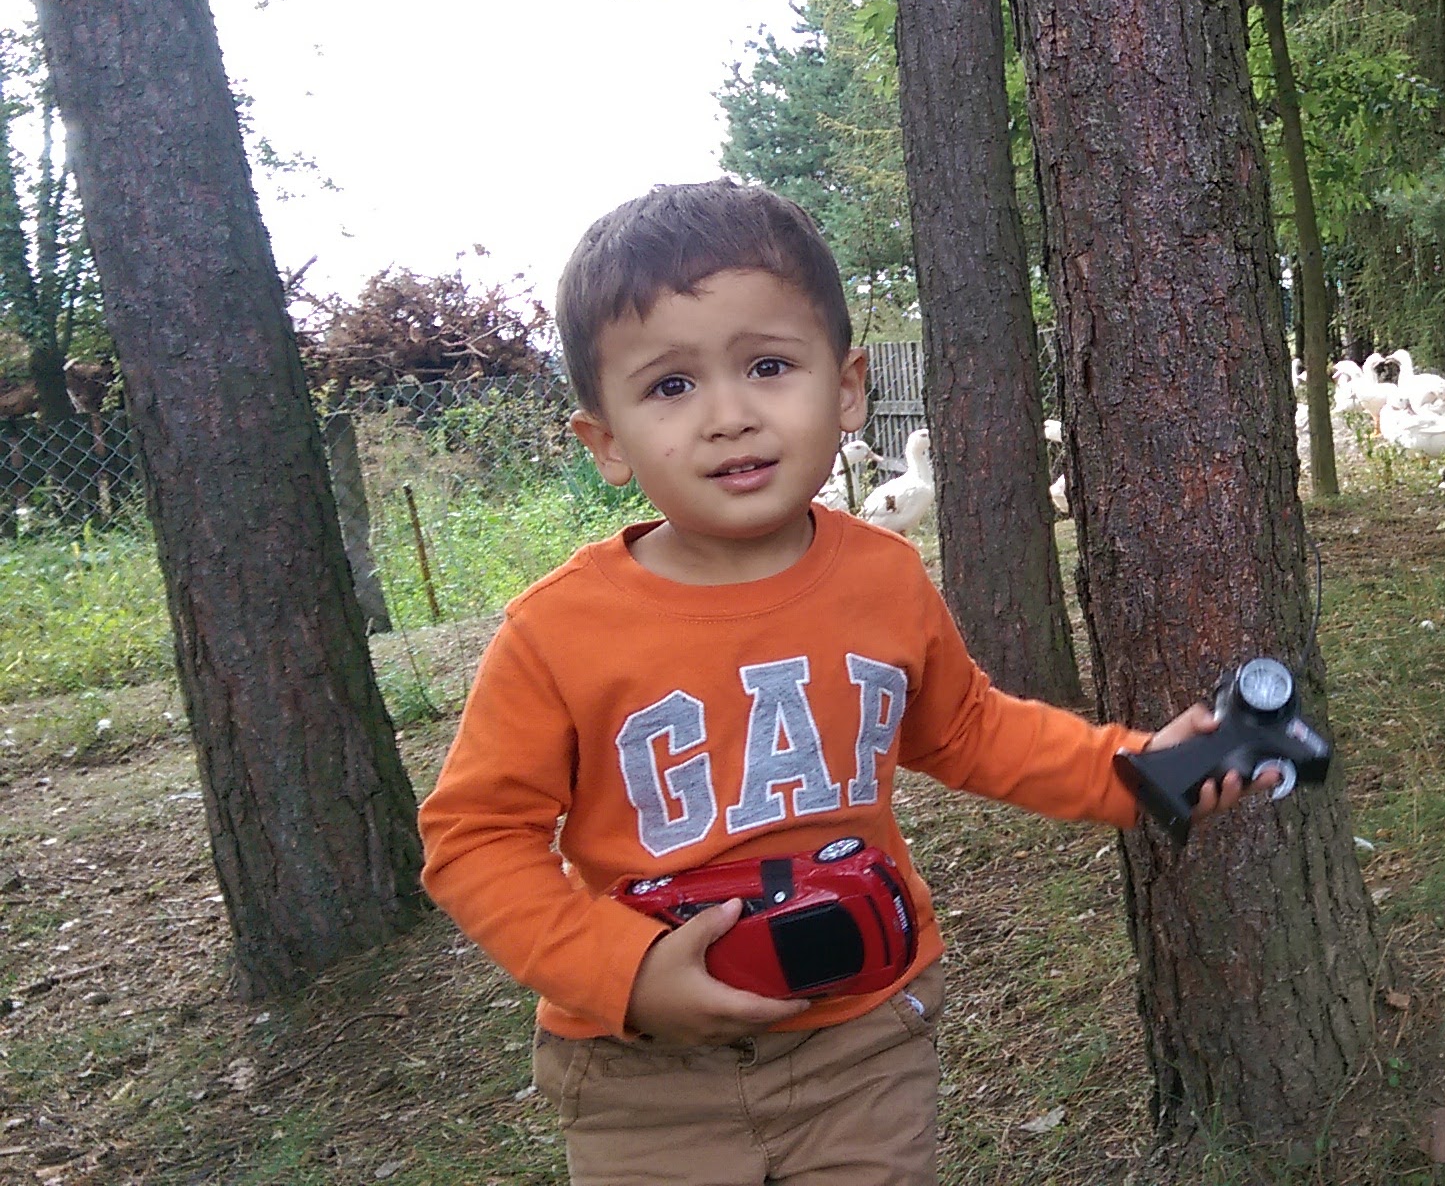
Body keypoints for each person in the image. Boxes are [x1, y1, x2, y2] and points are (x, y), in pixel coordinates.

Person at [420, 180, 1271, 1185]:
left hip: (860, 1044)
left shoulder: (882, 578)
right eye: (670, 385)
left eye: (768, 366)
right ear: (605, 439)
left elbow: (968, 729)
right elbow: (475, 838)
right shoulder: (556, 632)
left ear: (849, 386)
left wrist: (1132, 769)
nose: (730, 415)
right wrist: (626, 973)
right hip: (641, 1078)